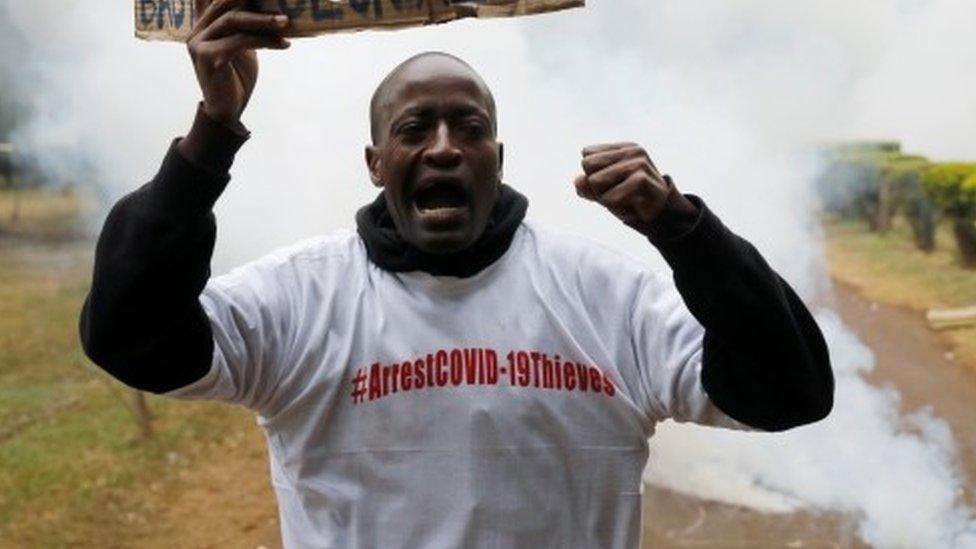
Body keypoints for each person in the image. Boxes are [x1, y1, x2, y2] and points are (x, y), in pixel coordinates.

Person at [79, 1, 834, 547]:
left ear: (497, 159)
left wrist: (682, 228)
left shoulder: (607, 297)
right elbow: (129, 334)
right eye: (414, 129)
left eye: (469, 128)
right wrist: (212, 134)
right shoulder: (297, 297)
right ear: (376, 164)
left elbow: (791, 387)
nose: (443, 148)